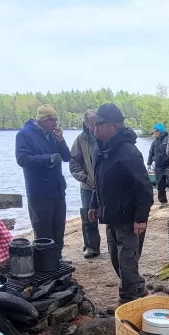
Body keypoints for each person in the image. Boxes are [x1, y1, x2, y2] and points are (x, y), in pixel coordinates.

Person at [88, 104, 153, 304]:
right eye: (94, 124)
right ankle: (139, 289)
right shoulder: (100, 149)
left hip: (129, 217)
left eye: (100, 124)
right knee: (116, 259)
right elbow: (98, 181)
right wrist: (94, 204)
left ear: (114, 127)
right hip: (111, 215)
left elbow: (144, 187)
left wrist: (141, 217)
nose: (95, 127)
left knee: (127, 262)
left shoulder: (128, 151)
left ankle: (128, 302)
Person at [16, 104, 71, 257]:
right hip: (39, 192)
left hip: (57, 189)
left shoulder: (53, 134)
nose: (55, 124)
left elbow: (66, 157)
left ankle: (58, 257)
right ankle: (45, 261)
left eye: (56, 120)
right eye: (53, 120)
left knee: (59, 226)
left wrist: (60, 140)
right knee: (43, 229)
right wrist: (48, 159)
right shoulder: (24, 134)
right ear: (42, 120)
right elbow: (22, 159)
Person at [69, 109, 102, 258]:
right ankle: (91, 246)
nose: (94, 126)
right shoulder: (80, 140)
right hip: (88, 186)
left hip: (107, 185)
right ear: (85, 123)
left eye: (97, 122)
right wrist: (84, 177)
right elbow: (74, 163)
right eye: (91, 123)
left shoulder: (105, 135)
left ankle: (116, 245)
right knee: (88, 217)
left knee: (113, 215)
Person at [147, 123, 169, 208]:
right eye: (154, 131)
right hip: (158, 166)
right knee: (160, 184)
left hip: (167, 165)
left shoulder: (168, 139)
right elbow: (151, 153)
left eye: (156, 131)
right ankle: (163, 202)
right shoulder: (154, 142)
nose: (155, 132)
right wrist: (148, 164)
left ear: (161, 131)